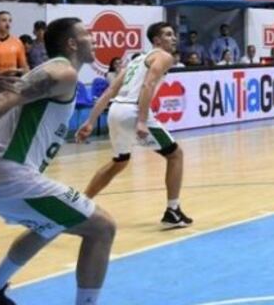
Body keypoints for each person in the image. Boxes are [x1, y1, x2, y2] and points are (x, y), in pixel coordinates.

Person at [0, 18, 117, 305]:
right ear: (72, 43)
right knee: (103, 228)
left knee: (50, 224)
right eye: (88, 35)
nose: (94, 40)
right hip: (9, 176)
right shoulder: (61, 72)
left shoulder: (53, 73)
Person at [76, 22, 193, 228]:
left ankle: (80, 204)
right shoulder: (164, 57)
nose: (173, 38)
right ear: (156, 40)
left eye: (174, 34)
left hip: (115, 110)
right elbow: (148, 85)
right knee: (175, 155)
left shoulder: (137, 59)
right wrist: (141, 120)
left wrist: (90, 121)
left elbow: (111, 90)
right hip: (132, 111)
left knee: (119, 162)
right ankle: (172, 211)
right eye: (168, 34)